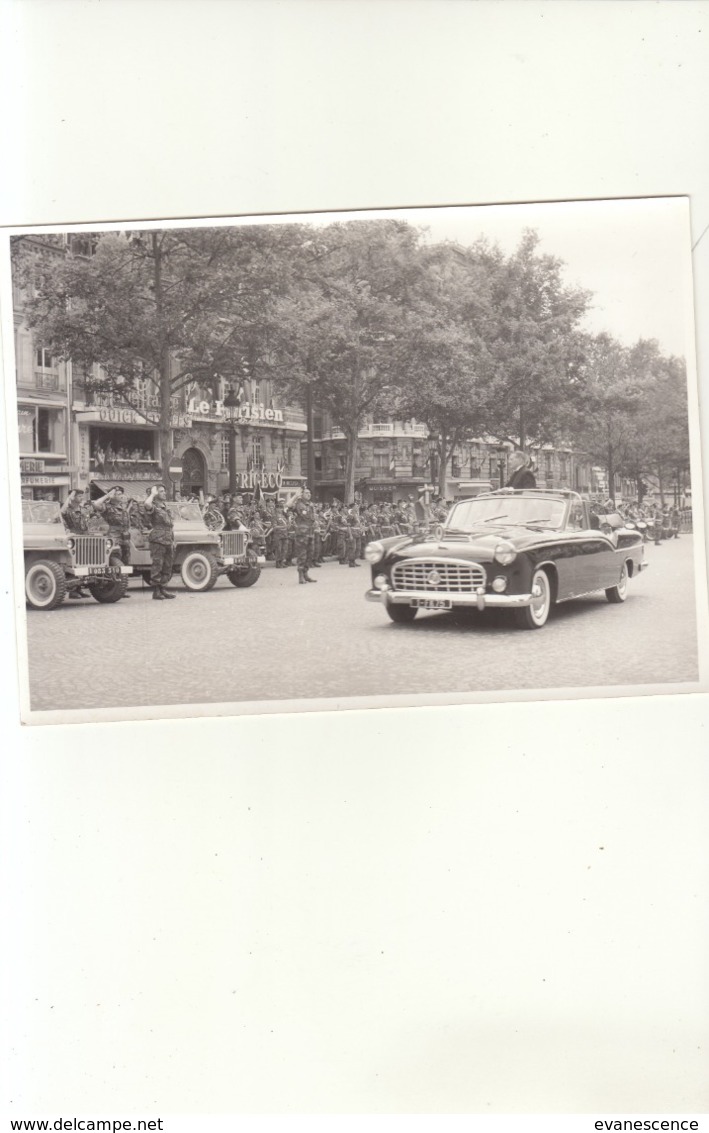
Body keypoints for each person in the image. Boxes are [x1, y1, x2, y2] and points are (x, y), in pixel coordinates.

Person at [92, 486, 133, 588]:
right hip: (115, 536)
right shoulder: (108, 507)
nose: (121, 496)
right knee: (115, 560)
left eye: (121, 494)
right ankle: (114, 586)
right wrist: (107, 495)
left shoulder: (123, 507)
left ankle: (122, 587)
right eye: (118, 494)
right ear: (112, 496)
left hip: (125, 537)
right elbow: (96, 504)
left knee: (125, 562)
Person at [143, 484, 176, 600]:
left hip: (168, 539)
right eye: (161, 491)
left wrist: (173, 540)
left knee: (167, 565)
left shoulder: (165, 507)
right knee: (158, 565)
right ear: (157, 494)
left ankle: (163, 588)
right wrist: (152, 494)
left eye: (164, 491)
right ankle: (156, 591)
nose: (164, 493)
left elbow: (170, 526)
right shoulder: (154, 506)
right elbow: (146, 504)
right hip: (158, 539)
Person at [287, 487, 317, 583]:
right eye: (307, 493)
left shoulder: (310, 505)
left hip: (310, 532)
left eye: (310, 493)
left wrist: (316, 522)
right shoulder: (297, 504)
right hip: (301, 533)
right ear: (302, 494)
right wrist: (295, 496)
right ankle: (300, 576)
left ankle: (306, 574)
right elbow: (288, 505)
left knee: (310, 554)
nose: (309, 494)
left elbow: (312, 517)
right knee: (302, 555)